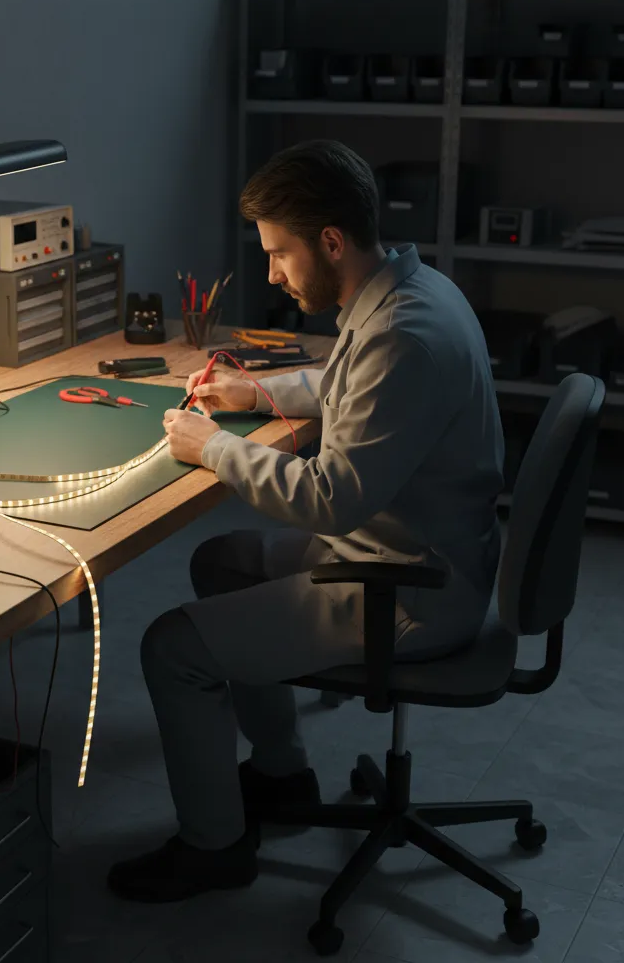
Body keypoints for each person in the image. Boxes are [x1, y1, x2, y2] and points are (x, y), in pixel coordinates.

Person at [107, 139, 504, 903]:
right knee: (220, 563)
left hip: (412, 589)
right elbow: (352, 385)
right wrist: (253, 395)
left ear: (330, 241)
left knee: (172, 648)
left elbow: (331, 497)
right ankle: (282, 775)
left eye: (279, 254)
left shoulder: (403, 335)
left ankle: (214, 849)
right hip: (417, 549)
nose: (271, 275)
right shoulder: (410, 292)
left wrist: (213, 447)